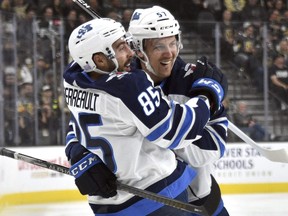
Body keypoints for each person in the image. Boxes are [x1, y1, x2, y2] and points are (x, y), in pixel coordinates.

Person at [64, 18, 225, 215]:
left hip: (106, 205)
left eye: (172, 43)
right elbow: (178, 131)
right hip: (158, 195)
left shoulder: (74, 79)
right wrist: (207, 95)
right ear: (99, 59)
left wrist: (76, 151)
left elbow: (81, 120)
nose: (130, 53)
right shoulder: (130, 87)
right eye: (121, 47)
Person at [128, 5, 229, 216]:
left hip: (202, 201)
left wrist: (156, 136)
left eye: (173, 42)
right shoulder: (121, 84)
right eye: (158, 46)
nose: (169, 53)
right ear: (138, 50)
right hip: (150, 206)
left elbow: (212, 148)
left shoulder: (196, 81)